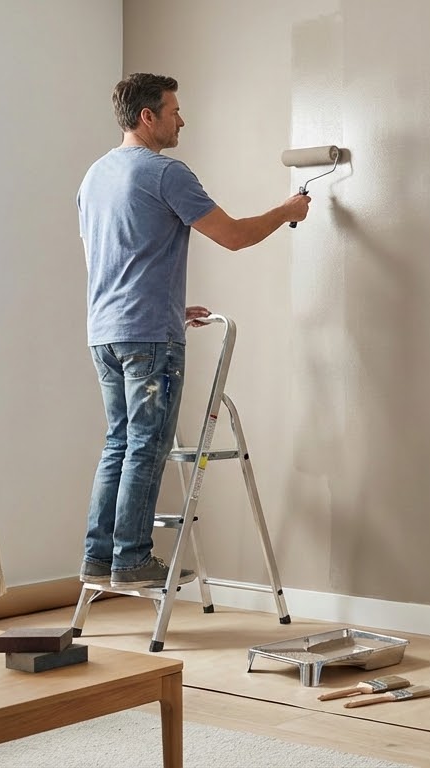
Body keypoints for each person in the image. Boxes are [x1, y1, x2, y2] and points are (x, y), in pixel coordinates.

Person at [77, 73, 310, 588]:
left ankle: (99, 557)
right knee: (147, 445)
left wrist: (165, 305)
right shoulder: (164, 173)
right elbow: (232, 236)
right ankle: (133, 559)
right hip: (148, 336)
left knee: (119, 442)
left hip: (106, 330)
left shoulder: (94, 177)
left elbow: (118, 256)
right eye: (174, 110)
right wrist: (288, 211)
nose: (182, 119)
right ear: (147, 117)